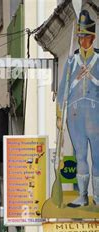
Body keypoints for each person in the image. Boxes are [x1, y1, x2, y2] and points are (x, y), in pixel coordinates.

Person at [57, 9, 99, 207]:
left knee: (97, 156)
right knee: (80, 155)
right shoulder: (72, 61)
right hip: (75, 115)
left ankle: (97, 196)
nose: (83, 41)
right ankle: (83, 196)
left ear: (93, 37)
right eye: (80, 36)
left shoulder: (98, 59)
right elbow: (63, 88)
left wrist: (90, 77)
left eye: (86, 37)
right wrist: (59, 114)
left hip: (95, 112)